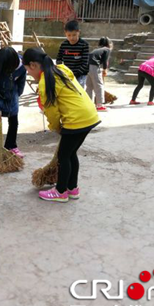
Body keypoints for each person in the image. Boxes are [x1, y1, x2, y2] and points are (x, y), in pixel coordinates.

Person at [22, 48, 100, 202]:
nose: (29, 74)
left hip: (76, 120)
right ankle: (72, 189)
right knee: (71, 154)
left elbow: (52, 112)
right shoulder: (61, 68)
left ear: (33, 65)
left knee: (63, 156)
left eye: (27, 70)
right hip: (90, 115)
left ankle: (60, 191)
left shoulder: (45, 83)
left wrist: (56, 127)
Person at [56, 20, 90, 88]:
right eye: (69, 35)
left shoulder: (84, 45)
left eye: (74, 35)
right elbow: (59, 59)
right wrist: (62, 71)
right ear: (65, 33)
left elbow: (85, 64)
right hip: (67, 75)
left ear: (78, 32)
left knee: (79, 92)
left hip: (80, 75)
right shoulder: (64, 45)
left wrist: (74, 75)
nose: (71, 38)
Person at [86, 37, 113, 112]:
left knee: (89, 86)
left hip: (86, 66)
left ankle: (89, 105)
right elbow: (105, 61)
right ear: (108, 44)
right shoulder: (107, 49)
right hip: (93, 66)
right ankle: (100, 105)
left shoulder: (97, 50)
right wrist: (105, 70)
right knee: (99, 85)